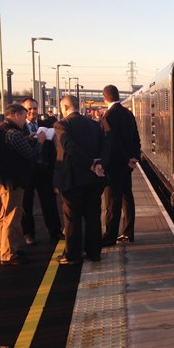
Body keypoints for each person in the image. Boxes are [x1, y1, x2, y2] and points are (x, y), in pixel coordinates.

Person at [53, 95, 108, 265]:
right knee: (93, 216)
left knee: (72, 219)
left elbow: (69, 148)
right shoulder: (94, 125)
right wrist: (99, 165)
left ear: (65, 107)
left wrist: (89, 164)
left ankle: (72, 255)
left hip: (72, 180)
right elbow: (105, 147)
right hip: (93, 180)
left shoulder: (62, 125)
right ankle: (94, 253)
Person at [0, 103, 46, 265]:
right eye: (24, 114)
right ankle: (9, 254)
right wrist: (40, 141)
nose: (26, 117)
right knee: (12, 216)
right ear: (16, 114)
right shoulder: (14, 134)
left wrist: (27, 139)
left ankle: (3, 248)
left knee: (0, 215)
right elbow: (32, 155)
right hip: (11, 182)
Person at [100, 84, 141, 247]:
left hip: (114, 166)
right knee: (127, 198)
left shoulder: (108, 116)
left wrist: (125, 159)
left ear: (105, 98)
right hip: (127, 166)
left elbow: (112, 144)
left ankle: (110, 236)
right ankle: (128, 232)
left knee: (112, 202)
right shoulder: (128, 114)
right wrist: (134, 158)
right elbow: (135, 138)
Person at [20, 97, 63, 245]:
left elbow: (53, 150)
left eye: (34, 108)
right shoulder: (20, 129)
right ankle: (29, 233)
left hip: (44, 169)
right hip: (27, 172)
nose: (32, 111)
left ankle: (55, 231)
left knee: (49, 202)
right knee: (26, 204)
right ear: (23, 111)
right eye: (29, 109)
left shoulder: (46, 125)